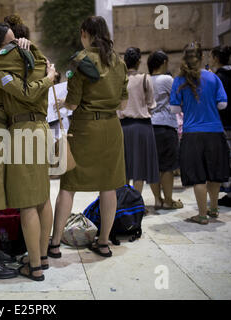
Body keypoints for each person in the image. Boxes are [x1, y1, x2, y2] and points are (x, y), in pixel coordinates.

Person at [0, 19, 56, 281]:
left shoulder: (9, 60)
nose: (15, 46)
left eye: (17, 40)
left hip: (1, 132)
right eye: (10, 42)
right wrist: (48, 78)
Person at [49, 16, 129, 258]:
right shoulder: (119, 61)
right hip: (112, 128)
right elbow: (123, 104)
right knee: (109, 186)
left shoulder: (80, 60)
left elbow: (72, 104)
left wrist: (63, 101)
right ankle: (103, 242)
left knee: (69, 184)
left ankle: (53, 244)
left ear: (85, 33)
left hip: (85, 129)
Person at [170, 42, 229, 224]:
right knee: (214, 173)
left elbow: (174, 109)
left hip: (192, 133)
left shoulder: (180, 80)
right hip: (214, 131)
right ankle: (214, 208)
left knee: (198, 177)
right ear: (202, 58)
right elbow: (222, 104)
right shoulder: (213, 78)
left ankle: (202, 215)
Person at [117, 47, 159, 195]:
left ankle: (124, 202)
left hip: (122, 127)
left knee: (124, 167)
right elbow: (151, 104)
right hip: (142, 127)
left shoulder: (119, 80)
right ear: (139, 61)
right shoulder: (145, 78)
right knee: (139, 167)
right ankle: (136, 201)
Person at [147, 50, 184, 210]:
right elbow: (179, 99)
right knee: (167, 166)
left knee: (154, 166)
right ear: (163, 63)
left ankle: (157, 200)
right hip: (166, 127)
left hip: (149, 126)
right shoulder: (168, 79)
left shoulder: (145, 80)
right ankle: (168, 200)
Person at [210, 45, 231, 208]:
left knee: (230, 159)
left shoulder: (218, 77)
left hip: (225, 123)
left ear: (215, 58)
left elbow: (219, 103)